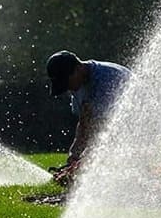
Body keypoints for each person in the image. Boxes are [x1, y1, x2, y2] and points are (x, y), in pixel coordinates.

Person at [45, 50, 131, 185]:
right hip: (118, 131)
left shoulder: (106, 80)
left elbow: (103, 131)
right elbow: (85, 122)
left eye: (67, 82)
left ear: (78, 69)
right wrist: (74, 157)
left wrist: (82, 163)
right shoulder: (80, 82)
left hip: (137, 133)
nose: (68, 88)